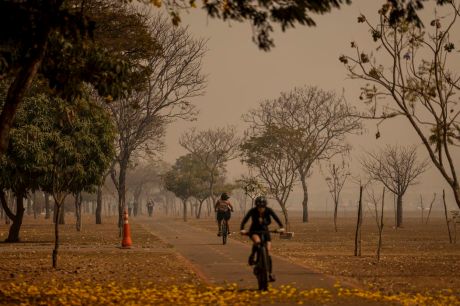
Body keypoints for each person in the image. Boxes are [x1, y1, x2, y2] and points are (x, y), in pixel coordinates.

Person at [240, 195, 284, 282]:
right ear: (256, 206)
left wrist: (281, 227)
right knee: (257, 241)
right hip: (254, 231)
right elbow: (245, 220)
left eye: (262, 207)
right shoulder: (253, 211)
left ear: (265, 206)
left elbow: (276, 218)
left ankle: (270, 273)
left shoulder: (268, 210)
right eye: (259, 207)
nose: (261, 208)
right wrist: (242, 229)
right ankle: (252, 256)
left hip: (265, 231)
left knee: (268, 252)